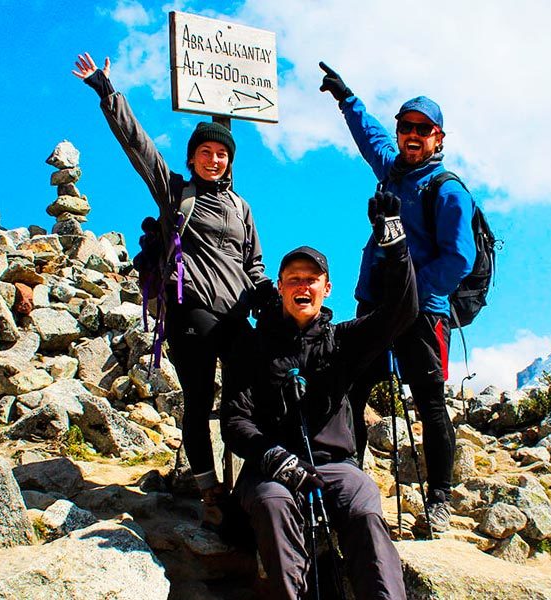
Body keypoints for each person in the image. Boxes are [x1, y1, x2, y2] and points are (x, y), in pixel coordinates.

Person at [72, 52, 273, 522]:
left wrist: (265, 292)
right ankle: (210, 492)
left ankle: (249, 483)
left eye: (222, 154)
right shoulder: (174, 192)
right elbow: (139, 148)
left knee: (247, 397)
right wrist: (107, 92)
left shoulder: (242, 208)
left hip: (236, 316)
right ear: (192, 157)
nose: (214, 158)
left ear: (229, 162)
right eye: (205, 152)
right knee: (200, 401)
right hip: (191, 313)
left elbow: (255, 264)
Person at [221, 192, 414, 600]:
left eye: (311, 279)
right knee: (273, 506)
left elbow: (402, 309)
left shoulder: (343, 340)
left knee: (363, 505)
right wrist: (276, 459)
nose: (302, 285)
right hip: (269, 470)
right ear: (280, 287)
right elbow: (236, 421)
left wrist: (393, 240)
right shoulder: (251, 346)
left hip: (335, 466)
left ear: (327, 288)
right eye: (293, 278)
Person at [318, 62, 475, 533]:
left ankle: (440, 502)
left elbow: (459, 258)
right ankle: (352, 483)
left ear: (438, 138)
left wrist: (410, 292)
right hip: (375, 305)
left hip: (423, 313)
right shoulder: (392, 169)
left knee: (429, 402)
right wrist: (347, 98)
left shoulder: (448, 192)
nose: (411, 135)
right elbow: (369, 137)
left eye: (422, 130)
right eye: (405, 127)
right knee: (353, 391)